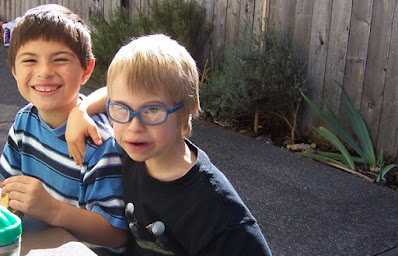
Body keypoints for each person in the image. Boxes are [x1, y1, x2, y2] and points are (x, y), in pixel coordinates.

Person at [65, 34, 272, 255]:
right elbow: (114, 92)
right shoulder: (133, 151)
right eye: (121, 108)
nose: (134, 126)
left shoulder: (215, 210)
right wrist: (81, 110)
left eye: (153, 110)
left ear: (186, 112)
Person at [0, 4, 128, 255]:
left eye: (60, 60)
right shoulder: (24, 121)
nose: (45, 71)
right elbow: (6, 185)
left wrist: (52, 209)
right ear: (14, 70)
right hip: (35, 244)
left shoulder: (99, 142)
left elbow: (115, 235)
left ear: (86, 70)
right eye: (29, 60)